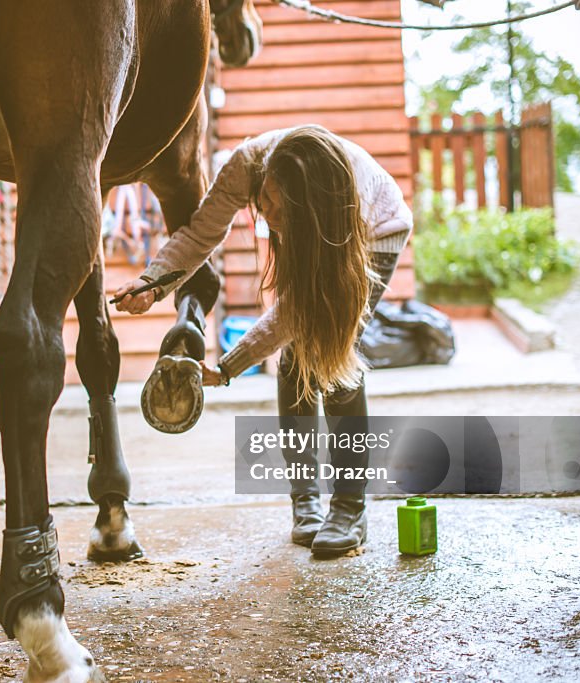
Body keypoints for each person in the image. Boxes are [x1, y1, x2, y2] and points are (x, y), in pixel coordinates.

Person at [114, 125, 412, 557]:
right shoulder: (246, 166)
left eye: (280, 210)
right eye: (266, 199)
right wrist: (152, 282)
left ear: (307, 211)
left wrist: (229, 366)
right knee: (294, 363)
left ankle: (348, 508)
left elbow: (293, 314)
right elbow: (200, 235)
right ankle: (306, 501)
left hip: (372, 231)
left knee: (332, 358)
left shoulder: (341, 210)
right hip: (315, 215)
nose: (267, 215)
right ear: (265, 175)